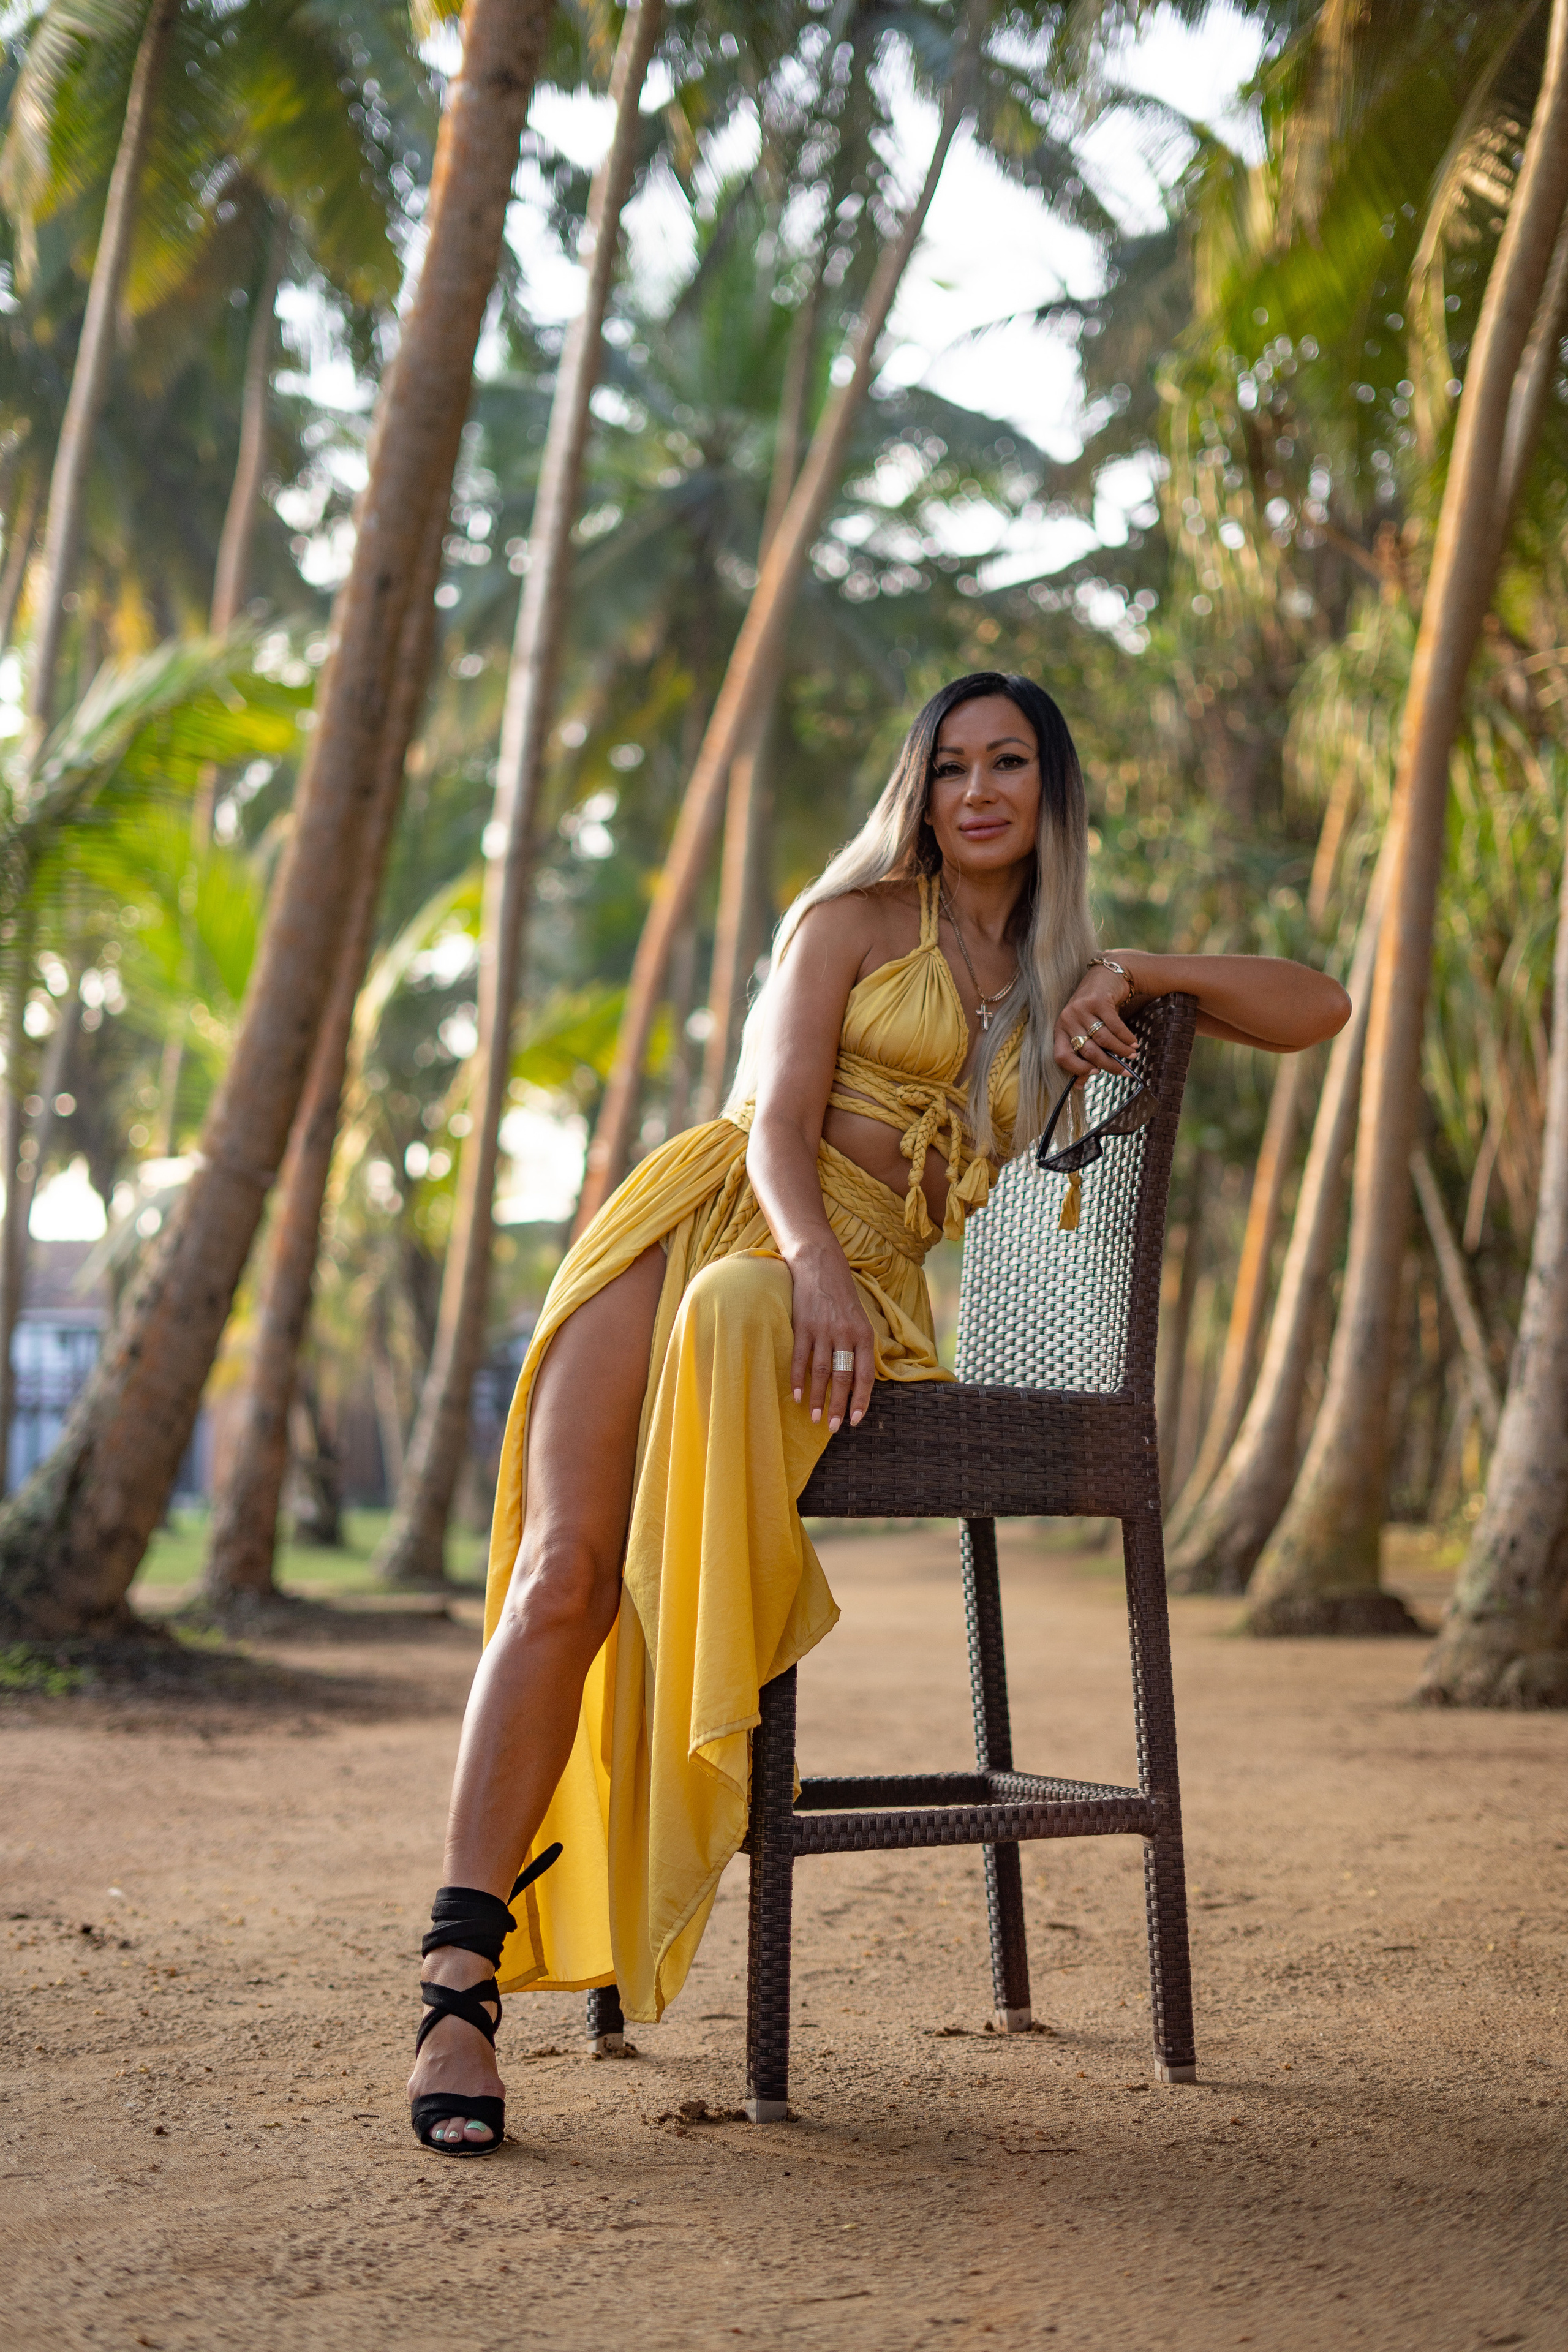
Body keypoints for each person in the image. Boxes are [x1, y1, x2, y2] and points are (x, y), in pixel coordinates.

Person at [407, 669, 1350, 2154]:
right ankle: (456, 1987)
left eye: (1009, 763)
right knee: (562, 1575)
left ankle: (632, 1830)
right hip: (701, 1234)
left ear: (1051, 791)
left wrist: (1143, 968)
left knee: (734, 1342)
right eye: (949, 766)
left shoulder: (1062, 975)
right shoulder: (843, 923)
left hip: (840, 1302)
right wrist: (808, 1269)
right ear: (917, 791)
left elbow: (1319, 1004)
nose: (976, 791)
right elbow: (773, 1128)